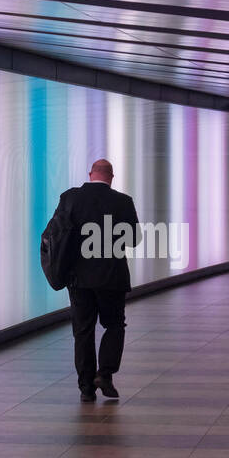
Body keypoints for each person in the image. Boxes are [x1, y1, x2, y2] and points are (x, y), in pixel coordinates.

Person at [52, 159, 140, 401]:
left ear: (90, 174)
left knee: (83, 331)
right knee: (114, 325)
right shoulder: (123, 202)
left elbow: (57, 234)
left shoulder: (69, 198)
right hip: (112, 277)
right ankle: (106, 374)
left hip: (78, 279)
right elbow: (134, 239)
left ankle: (86, 388)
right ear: (111, 177)